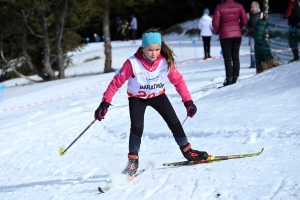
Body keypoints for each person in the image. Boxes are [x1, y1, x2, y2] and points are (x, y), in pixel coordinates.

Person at [94, 28, 209, 176]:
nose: (154, 53)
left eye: (157, 49)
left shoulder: (164, 61)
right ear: (143, 48)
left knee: (174, 122)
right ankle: (132, 163)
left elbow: (178, 81)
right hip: (137, 98)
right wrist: (105, 103)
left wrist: (188, 102)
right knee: (137, 127)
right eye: (150, 50)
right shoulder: (132, 63)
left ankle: (188, 152)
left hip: (158, 96)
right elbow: (116, 82)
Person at [212, 0, 248, 86]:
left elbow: (215, 23)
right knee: (235, 57)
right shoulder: (239, 5)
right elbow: (245, 21)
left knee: (227, 57)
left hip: (225, 35)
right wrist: (237, 27)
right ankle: (235, 77)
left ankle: (229, 78)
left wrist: (217, 31)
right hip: (237, 35)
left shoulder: (219, 7)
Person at [247, 2, 263, 69]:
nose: (253, 9)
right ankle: (253, 63)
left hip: (260, 34)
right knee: (252, 49)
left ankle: (261, 62)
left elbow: (264, 24)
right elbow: (246, 24)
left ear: (257, 7)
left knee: (260, 48)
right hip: (251, 34)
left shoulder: (261, 14)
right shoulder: (248, 14)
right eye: (252, 7)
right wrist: (250, 29)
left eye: (254, 7)